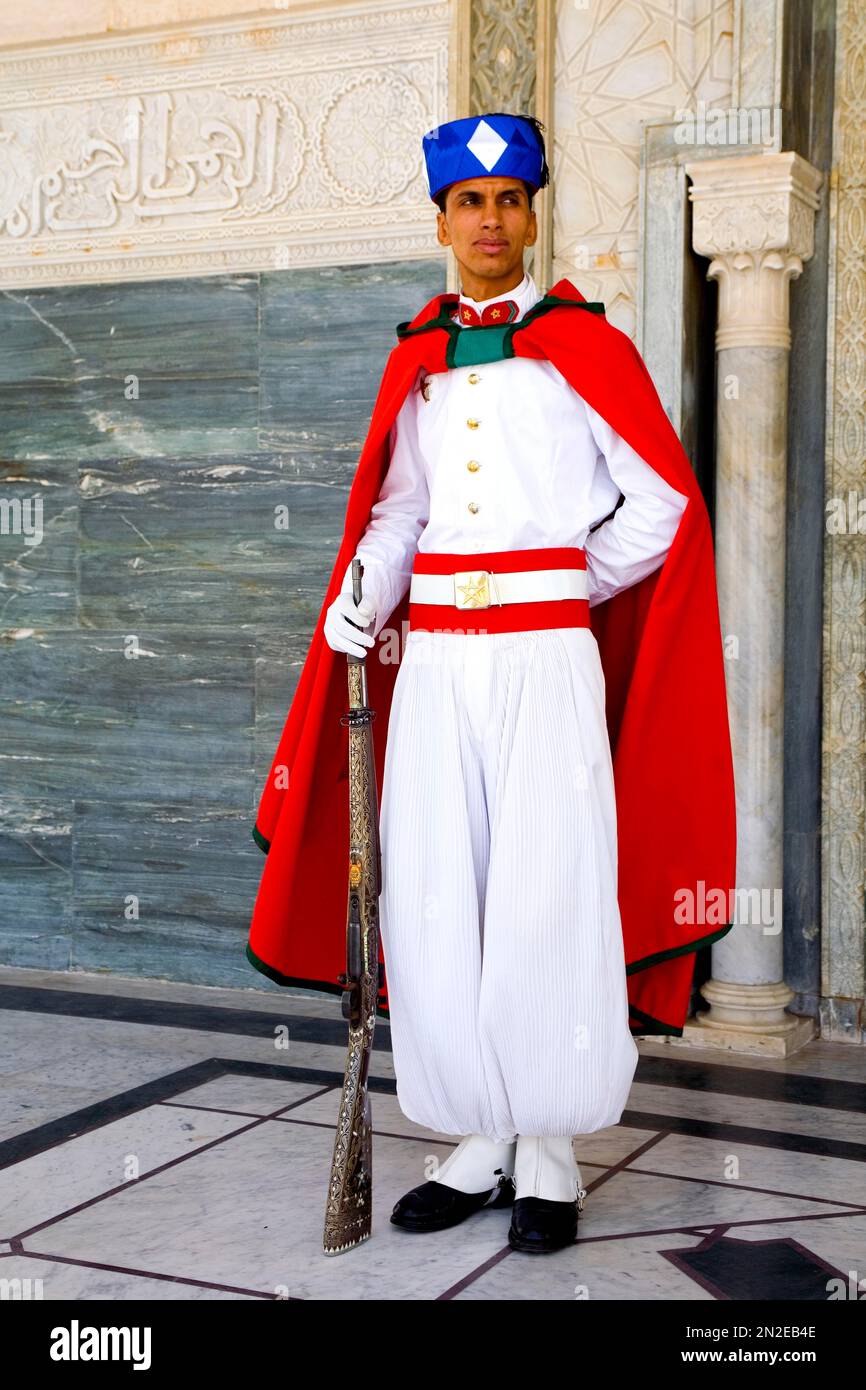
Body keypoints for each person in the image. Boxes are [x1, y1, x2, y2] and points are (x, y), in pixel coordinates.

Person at [246, 112, 735, 1260]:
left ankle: (548, 1147)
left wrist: (563, 584)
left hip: (542, 659)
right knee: (434, 889)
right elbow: (400, 509)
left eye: (508, 199)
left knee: (544, 891)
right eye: (468, 203)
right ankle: (476, 1136)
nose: (488, 220)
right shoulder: (416, 355)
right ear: (441, 221)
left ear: (530, 214)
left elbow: (661, 503)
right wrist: (363, 589)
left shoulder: (585, 346)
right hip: (434, 665)